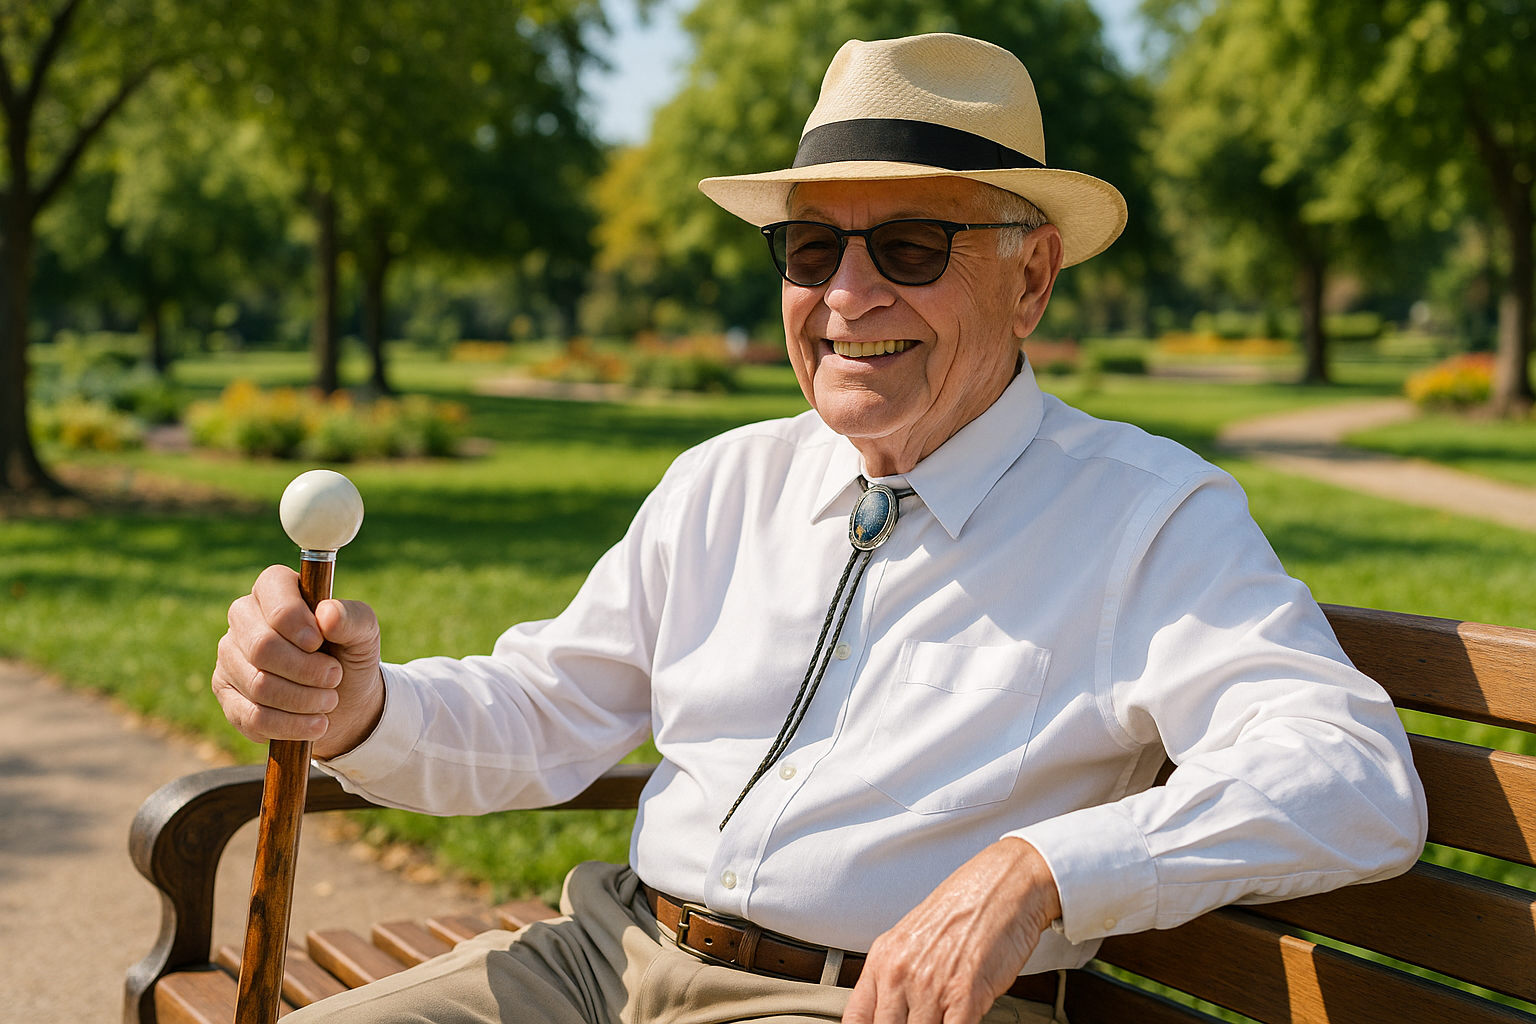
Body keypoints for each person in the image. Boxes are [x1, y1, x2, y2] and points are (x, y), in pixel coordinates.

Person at [213, 32, 1426, 1024]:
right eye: (811, 248)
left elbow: (1352, 777)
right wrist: (352, 708)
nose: (849, 295)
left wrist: (1040, 870)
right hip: (600, 962)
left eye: (911, 245)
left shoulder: (1148, 515)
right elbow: (543, 712)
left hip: (854, 1010)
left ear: (1034, 276)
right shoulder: (720, 481)